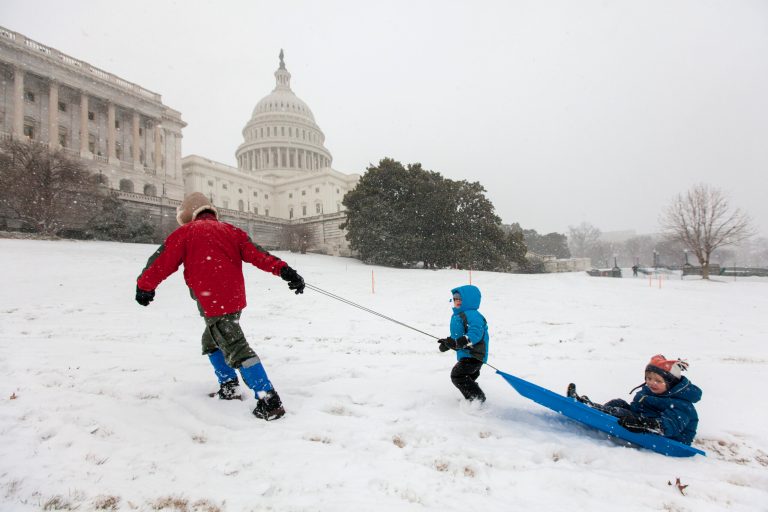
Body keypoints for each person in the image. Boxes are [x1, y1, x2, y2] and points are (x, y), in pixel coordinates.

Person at [135, 192, 306, 421]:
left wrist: (144, 286)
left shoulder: (185, 233)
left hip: (213, 304)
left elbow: (161, 262)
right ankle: (229, 386)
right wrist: (285, 271)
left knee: (237, 348)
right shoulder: (231, 231)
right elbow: (258, 255)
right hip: (233, 300)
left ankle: (269, 400)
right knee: (211, 340)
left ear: (188, 216)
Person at [567, 354, 702, 445]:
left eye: (658, 380)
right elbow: (637, 408)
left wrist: (642, 423)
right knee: (618, 403)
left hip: (670, 439)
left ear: (670, 383)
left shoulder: (681, 403)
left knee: (622, 412)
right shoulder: (651, 392)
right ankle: (592, 409)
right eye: (648, 379)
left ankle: (591, 408)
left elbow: (670, 426)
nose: (651, 383)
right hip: (643, 422)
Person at [437, 285, 489, 403]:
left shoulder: (473, 314)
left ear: (469, 300)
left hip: (474, 355)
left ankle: (478, 399)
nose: (458, 301)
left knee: (458, 376)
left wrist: (464, 340)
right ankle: (473, 399)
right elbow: (457, 336)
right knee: (467, 378)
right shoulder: (458, 315)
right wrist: (448, 343)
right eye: (455, 299)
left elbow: (476, 333)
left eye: (461, 299)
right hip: (467, 355)